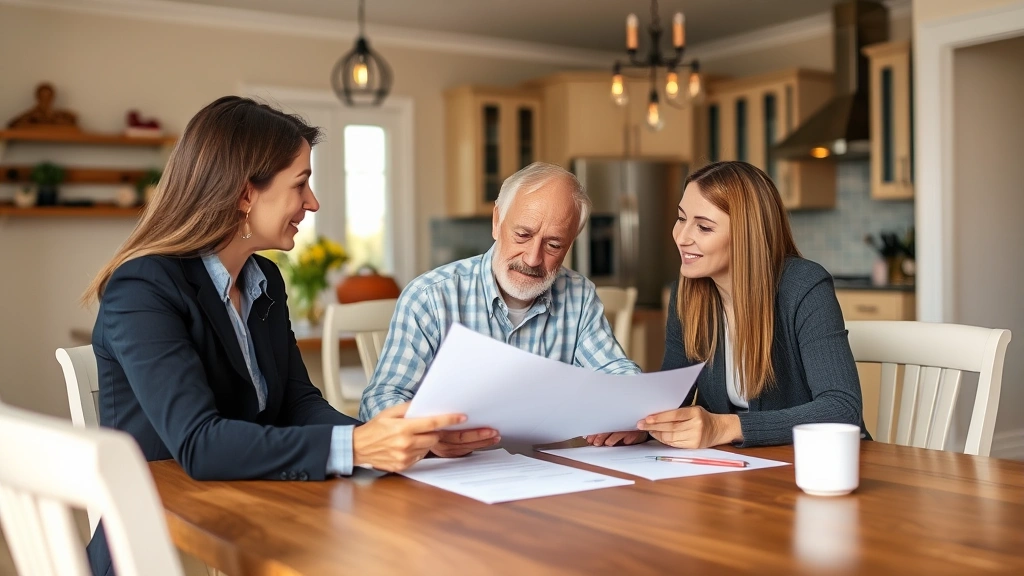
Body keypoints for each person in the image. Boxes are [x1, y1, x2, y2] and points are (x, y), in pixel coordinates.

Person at [83, 96, 462, 576]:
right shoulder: (143, 287)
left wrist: (392, 436)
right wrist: (358, 448)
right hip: (163, 546)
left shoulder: (264, 280)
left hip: (246, 517)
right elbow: (199, 443)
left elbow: (297, 404)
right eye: (300, 183)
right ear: (245, 194)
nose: (313, 202)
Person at [360, 162, 647, 456]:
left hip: (546, 473)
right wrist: (428, 435)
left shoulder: (579, 295)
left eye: (554, 245)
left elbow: (615, 372)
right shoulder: (430, 297)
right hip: (449, 475)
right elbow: (380, 399)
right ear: (497, 221)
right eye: (523, 235)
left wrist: (631, 410)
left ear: (571, 243)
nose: (533, 258)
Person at [636, 161, 866, 448]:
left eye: (704, 227)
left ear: (746, 235)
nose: (681, 238)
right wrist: (639, 426)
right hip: (736, 470)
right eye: (681, 218)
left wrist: (725, 427)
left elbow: (842, 409)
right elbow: (671, 400)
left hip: (816, 461)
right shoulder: (687, 295)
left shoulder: (804, 287)